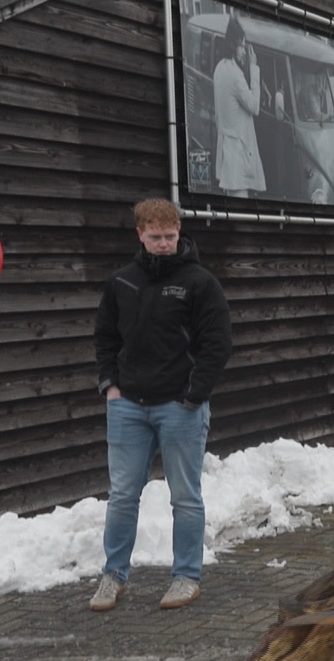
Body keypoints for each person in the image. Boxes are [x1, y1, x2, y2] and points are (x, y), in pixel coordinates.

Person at [90, 200, 234, 612]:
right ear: (140, 234)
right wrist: (109, 387)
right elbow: (105, 338)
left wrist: (195, 393)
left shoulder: (199, 283)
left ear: (179, 232)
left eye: (170, 236)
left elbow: (218, 343)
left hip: (180, 408)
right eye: (156, 237)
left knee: (185, 496)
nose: (165, 244)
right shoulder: (121, 283)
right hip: (128, 406)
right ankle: (113, 576)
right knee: (121, 495)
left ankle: (186, 577)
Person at [212, 14, 264, 198]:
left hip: (226, 156)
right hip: (239, 158)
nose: (244, 51)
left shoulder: (219, 69)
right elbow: (255, 107)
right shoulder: (236, 75)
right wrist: (254, 69)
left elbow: (218, 115)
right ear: (234, 45)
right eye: (243, 46)